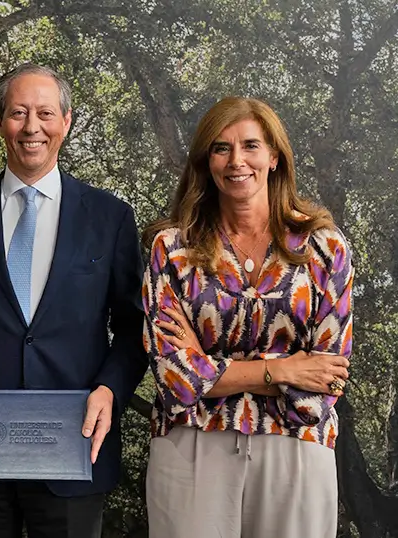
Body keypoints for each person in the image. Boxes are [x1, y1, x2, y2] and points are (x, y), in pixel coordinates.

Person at [0, 63, 147, 537]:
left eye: (44, 112)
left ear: (66, 121)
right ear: (1, 122)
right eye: (18, 113)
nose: (31, 127)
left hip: (76, 451)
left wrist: (109, 391)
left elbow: (132, 328)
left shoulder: (111, 217)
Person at [142, 96, 353, 537]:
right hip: (192, 446)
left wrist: (209, 366)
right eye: (221, 148)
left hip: (296, 446)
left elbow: (324, 386)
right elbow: (176, 379)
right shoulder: (171, 250)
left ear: (274, 156)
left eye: (250, 146)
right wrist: (283, 369)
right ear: (207, 161)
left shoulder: (325, 250)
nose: (236, 161)